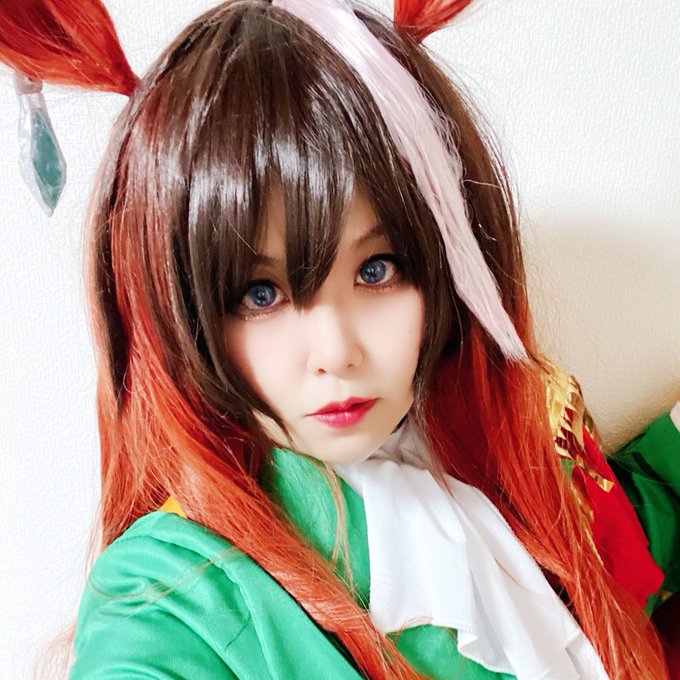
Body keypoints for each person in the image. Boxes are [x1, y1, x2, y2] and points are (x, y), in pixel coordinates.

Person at [1, 0, 678, 678]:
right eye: (259, 294)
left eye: (377, 270)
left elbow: (618, 544)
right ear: (178, 310)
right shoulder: (167, 600)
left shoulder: (491, 450)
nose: (335, 352)